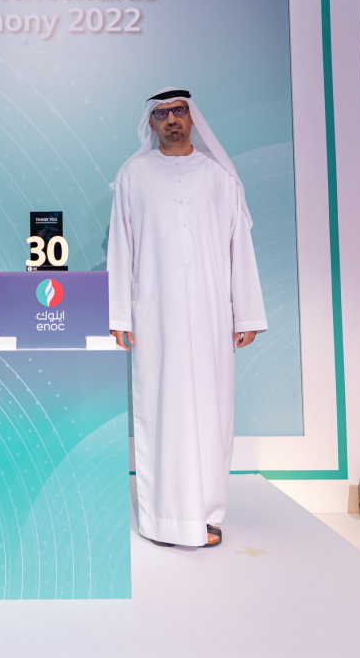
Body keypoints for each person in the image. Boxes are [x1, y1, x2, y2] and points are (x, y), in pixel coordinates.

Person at [107, 88, 267, 548]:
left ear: (192, 117)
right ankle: (162, 516)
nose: (172, 120)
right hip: (153, 314)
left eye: (179, 111)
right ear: (151, 123)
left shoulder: (220, 178)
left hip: (211, 314)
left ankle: (208, 513)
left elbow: (240, 248)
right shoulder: (134, 175)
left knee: (211, 410)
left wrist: (246, 313)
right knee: (160, 410)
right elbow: (121, 246)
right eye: (162, 114)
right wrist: (120, 314)